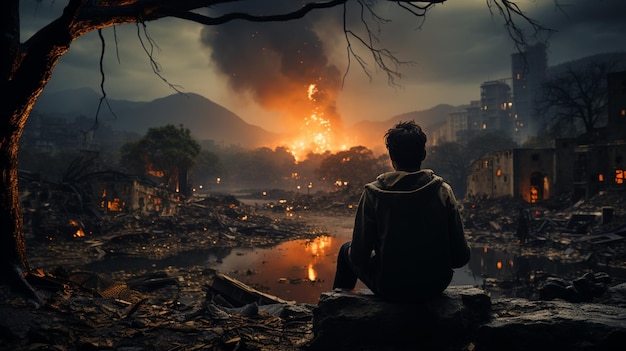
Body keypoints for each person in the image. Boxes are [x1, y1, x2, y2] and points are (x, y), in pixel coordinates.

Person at [332, 120, 470, 301]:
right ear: (423, 154)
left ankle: (337, 306)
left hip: (390, 286)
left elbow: (358, 257)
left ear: (391, 156)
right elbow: (460, 257)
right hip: (435, 285)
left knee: (345, 250)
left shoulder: (373, 194)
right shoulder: (443, 191)